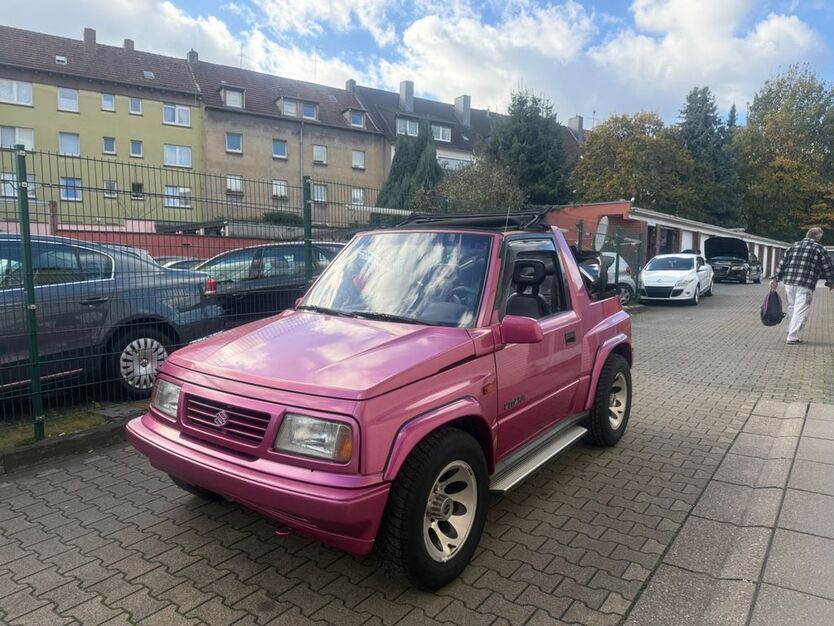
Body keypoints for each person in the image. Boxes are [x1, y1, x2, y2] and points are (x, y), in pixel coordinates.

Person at [770, 227, 834, 344]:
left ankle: (789, 330)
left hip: (789, 282)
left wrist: (776, 278)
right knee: (800, 309)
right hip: (805, 283)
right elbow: (827, 267)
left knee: (791, 307)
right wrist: (831, 282)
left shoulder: (793, 246)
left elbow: (782, 263)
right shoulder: (819, 248)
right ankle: (792, 336)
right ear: (818, 237)